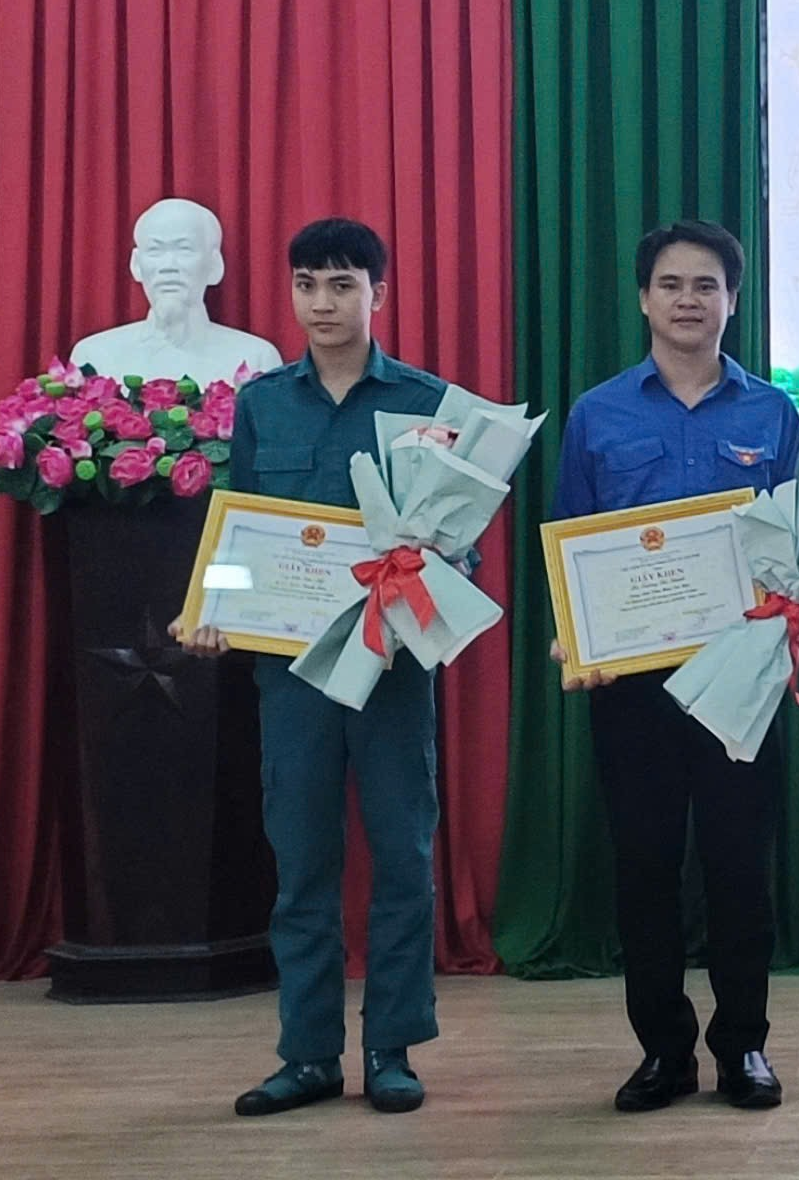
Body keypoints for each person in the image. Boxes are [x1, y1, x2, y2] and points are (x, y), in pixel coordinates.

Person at [175, 218, 453, 1117]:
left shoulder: (427, 405)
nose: (322, 303)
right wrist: (212, 608)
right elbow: (237, 522)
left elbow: (462, 543)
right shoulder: (263, 404)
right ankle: (308, 1056)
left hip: (392, 667)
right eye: (306, 284)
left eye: (342, 284)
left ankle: (392, 1049)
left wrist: (421, 575)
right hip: (291, 672)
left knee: (403, 857)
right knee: (302, 864)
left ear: (379, 294)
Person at [548, 221, 799, 1112]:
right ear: (642, 299)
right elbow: (570, 539)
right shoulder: (597, 413)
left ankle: (743, 1047)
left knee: (740, 869)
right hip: (631, 684)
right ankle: (663, 1050)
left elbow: (795, 544)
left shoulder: (772, 414)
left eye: (706, 285)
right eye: (671, 284)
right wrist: (575, 636)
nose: (688, 300)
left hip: (743, 674)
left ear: (733, 300)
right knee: (645, 870)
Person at [70, 197, 279, 384]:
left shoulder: (256, 358)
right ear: (136, 265)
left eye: (184, 249)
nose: (169, 265)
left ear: (215, 265)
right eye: (155, 250)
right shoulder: (95, 356)